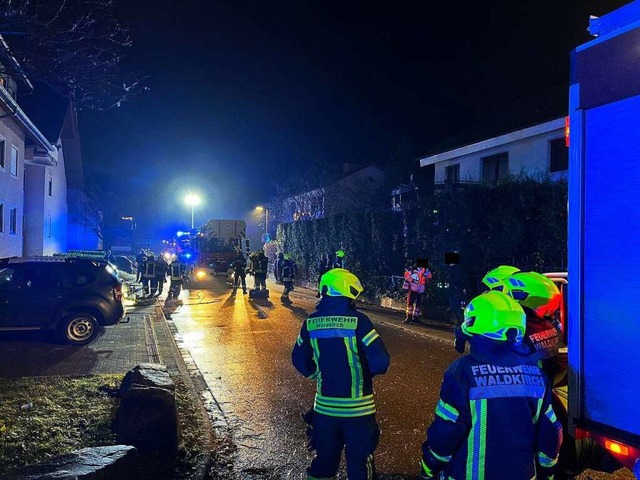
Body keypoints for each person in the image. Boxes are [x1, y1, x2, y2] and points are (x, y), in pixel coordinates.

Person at [419, 290, 562, 480]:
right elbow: (550, 432)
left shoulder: (462, 372)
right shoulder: (536, 374)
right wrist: (547, 471)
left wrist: (429, 466)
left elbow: (446, 431)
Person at [292, 268, 390, 479]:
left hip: (325, 410)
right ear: (349, 293)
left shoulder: (311, 322)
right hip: (358, 410)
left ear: (325, 291)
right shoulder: (359, 321)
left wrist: (314, 374)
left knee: (324, 460)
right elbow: (381, 362)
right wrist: (364, 373)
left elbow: (298, 358)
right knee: (359, 463)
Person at [402, 258, 432, 324]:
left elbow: (430, 277)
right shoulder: (412, 269)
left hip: (420, 290)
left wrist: (427, 279)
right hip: (412, 289)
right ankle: (409, 317)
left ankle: (415, 317)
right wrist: (412, 280)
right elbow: (406, 275)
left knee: (418, 304)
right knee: (410, 303)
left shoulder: (426, 270)